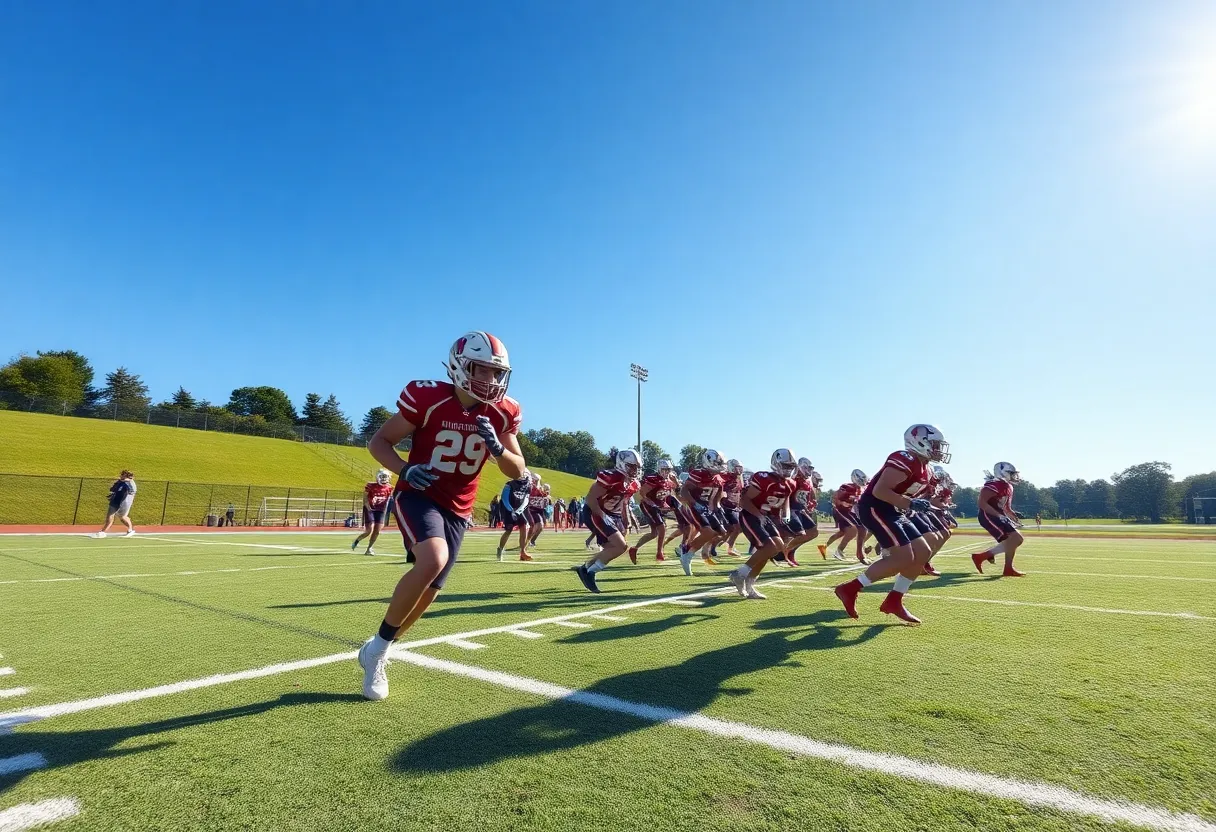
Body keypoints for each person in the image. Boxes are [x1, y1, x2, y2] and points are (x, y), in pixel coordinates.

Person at [357, 331, 526, 701]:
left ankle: (379, 648)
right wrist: (403, 469)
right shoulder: (429, 398)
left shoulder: (503, 412)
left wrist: (498, 448)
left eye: (497, 374)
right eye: (482, 370)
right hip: (418, 494)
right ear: (460, 367)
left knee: (431, 591)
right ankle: (380, 651)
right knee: (433, 558)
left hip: (459, 507)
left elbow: (518, 470)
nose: (491, 381)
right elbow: (378, 442)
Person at [833, 424, 951, 625]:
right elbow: (880, 491)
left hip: (894, 510)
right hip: (875, 507)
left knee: (923, 551)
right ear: (919, 441)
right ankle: (850, 588)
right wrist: (911, 503)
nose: (938, 449)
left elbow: (909, 495)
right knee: (903, 557)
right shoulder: (905, 458)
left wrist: (924, 504)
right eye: (934, 444)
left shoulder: (926, 469)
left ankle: (894, 600)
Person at [726, 449, 798, 599]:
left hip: (766, 516)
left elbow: (785, 502)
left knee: (776, 547)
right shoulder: (764, 478)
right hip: (751, 514)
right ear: (776, 464)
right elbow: (744, 501)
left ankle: (750, 585)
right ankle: (740, 574)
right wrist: (758, 515)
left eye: (791, 466)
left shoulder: (790, 484)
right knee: (769, 547)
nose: (788, 469)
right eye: (785, 465)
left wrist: (785, 517)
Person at [573, 448, 642, 593]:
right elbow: (591, 499)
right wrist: (603, 517)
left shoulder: (633, 483)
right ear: (622, 464)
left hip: (613, 514)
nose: (635, 470)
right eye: (632, 466)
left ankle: (585, 569)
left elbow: (624, 502)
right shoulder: (611, 477)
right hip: (595, 511)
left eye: (637, 467)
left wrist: (626, 519)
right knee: (620, 546)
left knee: (614, 548)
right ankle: (589, 572)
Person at [676, 449, 729, 575]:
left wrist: (717, 507)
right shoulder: (698, 474)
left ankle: (689, 549)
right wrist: (694, 504)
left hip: (707, 507)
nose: (720, 466)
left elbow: (717, 496)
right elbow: (684, 491)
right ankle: (687, 553)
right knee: (708, 532)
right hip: (694, 506)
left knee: (721, 532)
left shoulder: (719, 478)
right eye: (717, 463)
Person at [972, 461, 1026, 577]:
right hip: (988, 516)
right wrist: (999, 515)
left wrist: (1013, 515)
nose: (1014, 476)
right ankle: (1006, 567)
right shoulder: (993, 484)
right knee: (1014, 539)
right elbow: (982, 503)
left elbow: (1005, 507)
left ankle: (982, 557)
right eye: (1011, 473)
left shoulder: (1008, 486)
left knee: (1016, 540)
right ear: (1002, 473)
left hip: (999, 516)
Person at [629, 458, 678, 562]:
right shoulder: (653, 479)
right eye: (664, 469)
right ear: (659, 469)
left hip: (658, 506)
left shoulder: (669, 481)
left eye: (668, 469)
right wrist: (650, 502)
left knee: (654, 533)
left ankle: (634, 549)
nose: (666, 472)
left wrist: (676, 482)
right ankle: (659, 553)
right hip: (648, 506)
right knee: (662, 528)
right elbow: (642, 492)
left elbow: (676, 491)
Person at [819, 469, 867, 562]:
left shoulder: (861, 489)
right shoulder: (847, 487)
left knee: (843, 532)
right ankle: (840, 551)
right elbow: (835, 497)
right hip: (840, 510)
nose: (862, 482)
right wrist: (841, 503)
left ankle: (824, 547)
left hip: (848, 511)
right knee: (854, 530)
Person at [780, 458, 821, 566]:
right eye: (808, 468)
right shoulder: (794, 478)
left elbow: (806, 496)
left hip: (801, 509)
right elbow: (787, 494)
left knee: (813, 532)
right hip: (792, 508)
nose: (809, 471)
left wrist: (808, 505)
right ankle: (785, 552)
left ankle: (788, 551)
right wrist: (784, 511)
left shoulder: (807, 481)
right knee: (799, 534)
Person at [497, 470, 534, 561]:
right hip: (509, 510)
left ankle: (522, 551)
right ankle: (500, 549)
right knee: (508, 530)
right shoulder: (509, 484)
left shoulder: (528, 485)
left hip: (519, 510)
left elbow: (526, 500)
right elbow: (505, 499)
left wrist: (518, 511)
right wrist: (511, 510)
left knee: (524, 526)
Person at [95, 470, 137, 538]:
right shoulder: (120, 481)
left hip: (124, 501)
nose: (120, 476)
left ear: (126, 476)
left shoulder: (130, 483)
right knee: (110, 515)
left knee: (122, 517)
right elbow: (112, 489)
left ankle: (130, 530)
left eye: (122, 475)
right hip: (115, 500)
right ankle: (103, 532)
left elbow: (131, 491)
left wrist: (125, 481)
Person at [717, 459, 745, 557]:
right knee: (735, 528)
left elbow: (739, 493)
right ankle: (729, 548)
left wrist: (740, 504)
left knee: (732, 530)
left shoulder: (739, 479)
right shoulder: (724, 477)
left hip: (735, 507)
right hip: (726, 506)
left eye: (740, 468)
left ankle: (718, 545)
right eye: (737, 468)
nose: (739, 470)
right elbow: (719, 489)